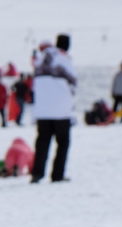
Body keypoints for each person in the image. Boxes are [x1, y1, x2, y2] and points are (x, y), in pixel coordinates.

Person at [31, 34, 76, 183]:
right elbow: (73, 84)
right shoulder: (65, 60)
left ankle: (37, 174)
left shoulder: (40, 59)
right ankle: (57, 175)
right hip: (61, 110)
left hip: (42, 110)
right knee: (63, 143)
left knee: (42, 142)